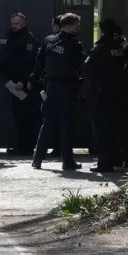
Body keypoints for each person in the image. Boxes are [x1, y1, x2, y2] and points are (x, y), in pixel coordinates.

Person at [32, 13, 85, 172]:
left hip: (51, 86)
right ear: (69, 26)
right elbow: (79, 67)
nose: (78, 27)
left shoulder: (48, 41)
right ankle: (67, 162)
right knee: (67, 125)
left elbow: (39, 63)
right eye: (76, 24)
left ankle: (37, 159)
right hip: (67, 87)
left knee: (47, 123)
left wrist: (35, 80)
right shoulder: (75, 45)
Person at [84, 19, 128, 173]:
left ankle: (105, 162)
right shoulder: (121, 49)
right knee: (118, 128)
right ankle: (119, 159)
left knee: (102, 129)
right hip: (120, 94)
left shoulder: (100, 49)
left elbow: (87, 68)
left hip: (103, 95)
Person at [0, 12, 41, 155]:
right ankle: (19, 145)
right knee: (18, 115)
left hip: (22, 84)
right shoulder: (12, 37)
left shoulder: (28, 39)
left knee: (25, 116)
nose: (13, 26)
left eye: (16, 23)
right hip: (13, 83)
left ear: (23, 23)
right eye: (12, 23)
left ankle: (26, 147)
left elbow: (31, 63)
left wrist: (24, 80)